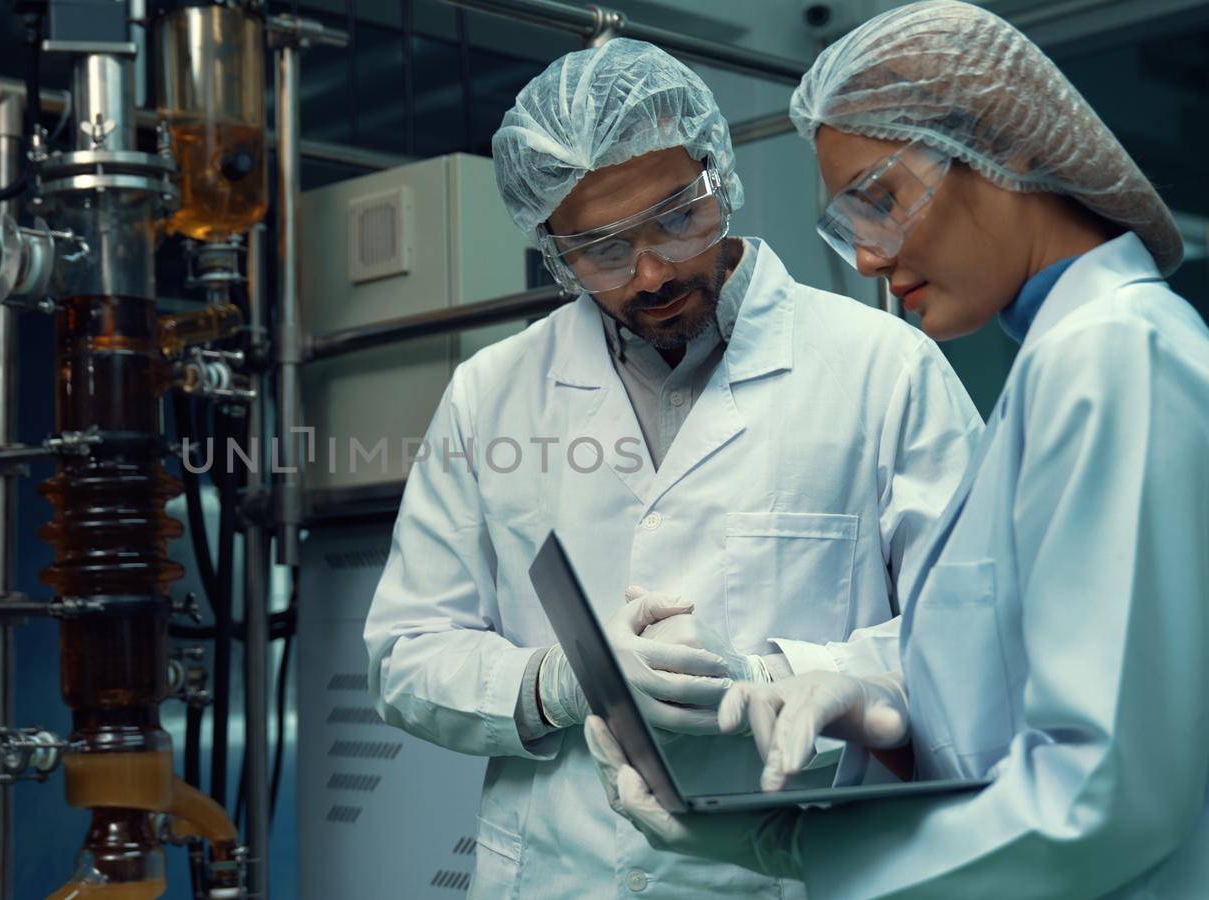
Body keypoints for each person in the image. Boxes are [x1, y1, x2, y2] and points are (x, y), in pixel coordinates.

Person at [585, 3, 1209, 897]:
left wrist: (801, 849)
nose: (868, 258)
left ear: (1011, 147)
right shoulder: (1061, 365)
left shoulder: (1116, 354)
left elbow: (1103, 793)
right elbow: (1021, 673)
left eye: (880, 198)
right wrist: (882, 701)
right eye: (848, 222)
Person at [364, 38, 982, 898]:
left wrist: (772, 677)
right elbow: (405, 653)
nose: (651, 271)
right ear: (551, 249)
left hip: (793, 870)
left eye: (675, 219)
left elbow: (973, 639)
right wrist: (558, 684)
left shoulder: (884, 372)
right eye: (602, 250)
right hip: (558, 873)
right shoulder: (490, 394)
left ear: (716, 176)